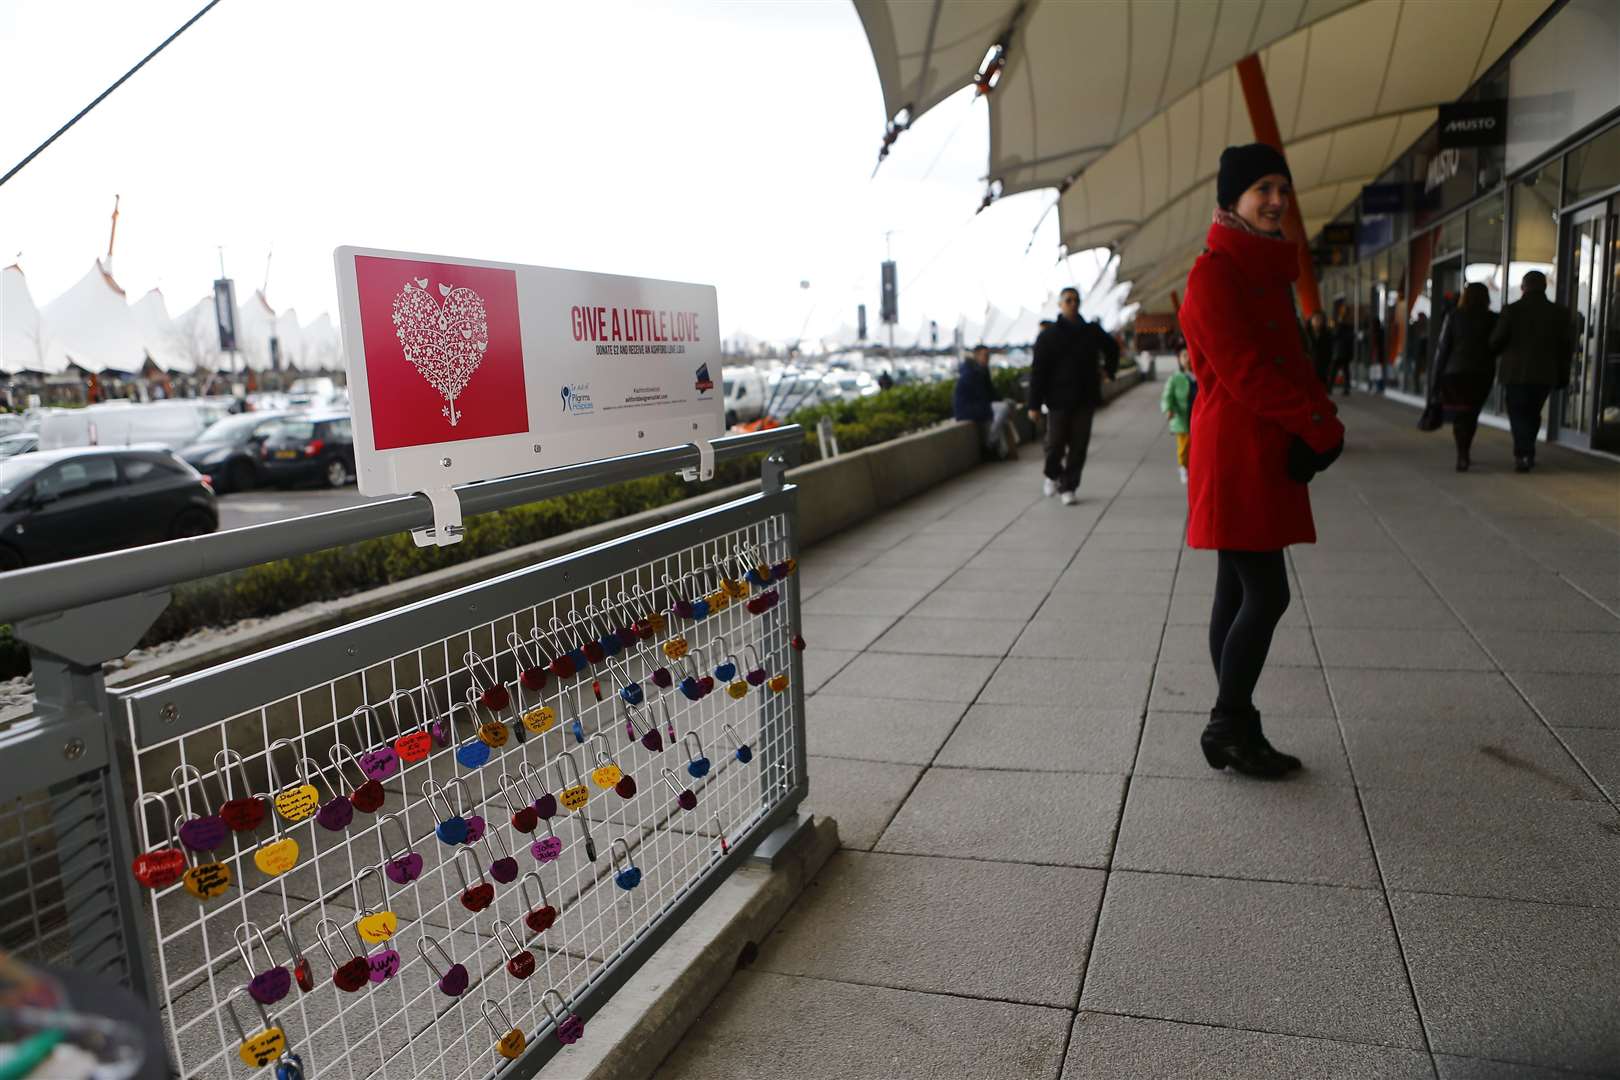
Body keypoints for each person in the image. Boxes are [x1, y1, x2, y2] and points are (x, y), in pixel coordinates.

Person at [1178, 142, 1345, 780]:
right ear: (1233, 200)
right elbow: (1245, 372)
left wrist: (1319, 418)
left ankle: (1237, 725)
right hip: (1237, 452)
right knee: (1267, 593)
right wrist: (1317, 425)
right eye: (1262, 190)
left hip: (1263, 446)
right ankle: (1228, 723)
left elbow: (1293, 364)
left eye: (1283, 188)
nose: (1277, 200)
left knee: (1237, 587)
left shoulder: (1266, 269)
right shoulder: (1215, 273)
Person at [1028, 286, 1119, 504]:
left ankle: (1069, 486)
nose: (1073, 303)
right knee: (1055, 444)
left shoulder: (1091, 331)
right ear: (1060, 304)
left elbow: (1112, 348)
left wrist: (1108, 370)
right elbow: (1038, 371)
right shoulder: (1048, 337)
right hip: (1057, 400)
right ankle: (1052, 474)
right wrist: (1034, 404)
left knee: (1079, 445)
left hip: (1085, 398)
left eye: (1076, 300)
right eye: (1068, 300)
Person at [1489, 269, 1572, 472]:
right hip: (1544, 373)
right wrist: (1563, 374)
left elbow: (1496, 341)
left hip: (1514, 372)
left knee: (1517, 413)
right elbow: (1566, 347)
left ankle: (1523, 453)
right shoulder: (1559, 313)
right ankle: (1527, 452)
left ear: (1523, 287)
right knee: (1533, 413)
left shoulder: (1511, 310)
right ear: (1544, 287)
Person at [1428, 282, 1497, 471]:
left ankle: (1462, 454)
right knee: (1471, 414)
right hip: (1482, 373)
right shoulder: (1492, 318)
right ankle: (1465, 452)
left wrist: (1435, 379)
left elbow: (1443, 349)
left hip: (1455, 372)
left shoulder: (1454, 316)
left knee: (1460, 415)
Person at [953, 344, 1016, 459]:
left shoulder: (981, 369)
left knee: (1007, 406)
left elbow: (990, 391)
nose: (987, 358)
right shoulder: (970, 372)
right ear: (976, 356)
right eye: (985, 356)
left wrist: (1001, 400)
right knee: (1003, 409)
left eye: (988, 356)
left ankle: (1001, 450)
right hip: (968, 409)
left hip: (979, 405)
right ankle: (990, 444)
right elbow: (979, 394)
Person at [1160, 349, 1195, 483]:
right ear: (1179, 359)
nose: (1188, 358)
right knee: (1184, 447)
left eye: (1190, 355)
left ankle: (1193, 467)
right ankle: (1183, 467)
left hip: (1197, 417)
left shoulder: (1199, 376)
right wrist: (1168, 409)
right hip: (1182, 418)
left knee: (1196, 446)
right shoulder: (1175, 378)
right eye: (1184, 355)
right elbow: (1167, 396)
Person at [1305, 311, 1334, 387]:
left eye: (1320, 319)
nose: (1318, 321)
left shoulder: (1327, 334)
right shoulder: (1306, 333)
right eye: (1316, 319)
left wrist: (1329, 362)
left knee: (1321, 383)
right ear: (1311, 320)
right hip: (1309, 362)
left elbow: (1329, 349)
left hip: (1322, 363)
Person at [1330, 304, 1354, 396]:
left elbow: (1335, 336)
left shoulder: (1341, 326)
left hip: (1340, 352)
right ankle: (1345, 388)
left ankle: (1333, 387)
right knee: (1344, 370)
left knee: (1336, 370)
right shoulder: (1347, 326)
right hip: (1343, 352)